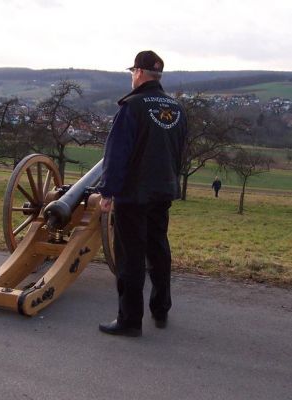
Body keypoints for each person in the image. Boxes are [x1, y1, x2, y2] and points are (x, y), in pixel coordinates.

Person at [97, 50, 188, 337]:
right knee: (158, 249)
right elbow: (179, 151)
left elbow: (117, 154)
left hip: (133, 194)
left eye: (132, 73)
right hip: (163, 190)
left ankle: (129, 320)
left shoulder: (132, 106)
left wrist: (108, 192)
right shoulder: (177, 109)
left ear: (138, 73)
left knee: (130, 256)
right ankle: (161, 309)